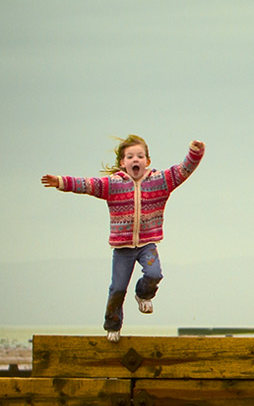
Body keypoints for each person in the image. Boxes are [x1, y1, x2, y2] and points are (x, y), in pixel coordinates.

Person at [41, 135, 205, 342]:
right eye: (130, 156)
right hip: (122, 248)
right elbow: (87, 185)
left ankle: (144, 295)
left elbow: (183, 171)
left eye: (140, 156)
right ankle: (113, 324)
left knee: (155, 274)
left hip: (147, 245)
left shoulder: (160, 182)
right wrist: (61, 182)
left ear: (147, 161)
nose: (135, 160)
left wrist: (195, 152)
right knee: (118, 288)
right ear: (122, 162)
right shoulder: (113, 185)